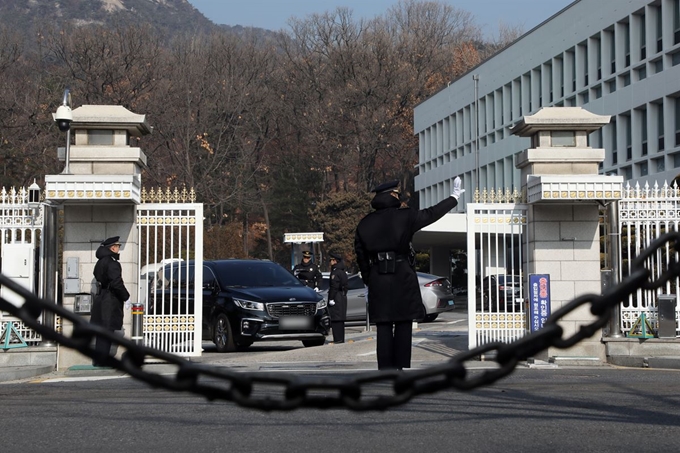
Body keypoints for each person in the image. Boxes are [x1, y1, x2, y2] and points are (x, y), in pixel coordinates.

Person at [354, 176, 463, 370]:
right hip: (402, 274)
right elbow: (431, 214)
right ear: (392, 195)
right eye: (396, 193)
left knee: (384, 325)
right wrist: (453, 198)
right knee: (403, 322)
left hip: (378, 275)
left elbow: (361, 257)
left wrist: (370, 280)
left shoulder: (364, 223)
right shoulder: (406, 216)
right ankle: (401, 366)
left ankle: (385, 368)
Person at [90, 236, 130, 367]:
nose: (119, 248)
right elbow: (116, 283)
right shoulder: (112, 263)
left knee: (102, 332)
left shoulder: (101, 262)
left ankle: (99, 359)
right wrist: (126, 296)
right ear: (112, 247)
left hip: (101, 297)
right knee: (107, 331)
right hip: (110, 299)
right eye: (118, 246)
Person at [327, 252, 348, 344]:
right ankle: (340, 338)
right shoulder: (342, 271)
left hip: (336, 297)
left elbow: (334, 286)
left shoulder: (335, 272)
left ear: (335, 261)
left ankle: (338, 339)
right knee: (340, 318)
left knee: (336, 318)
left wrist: (331, 298)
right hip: (341, 296)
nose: (330, 262)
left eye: (331, 260)